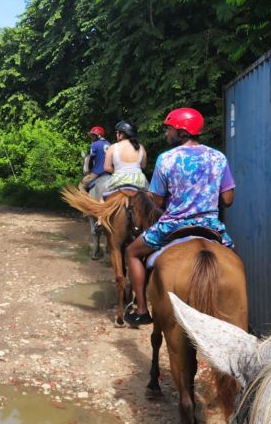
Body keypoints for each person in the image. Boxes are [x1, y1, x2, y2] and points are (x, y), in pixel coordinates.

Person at [123, 107, 235, 325]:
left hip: (172, 226)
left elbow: (156, 202)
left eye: (169, 129)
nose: (167, 133)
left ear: (182, 132)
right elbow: (228, 199)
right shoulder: (218, 157)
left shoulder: (166, 159)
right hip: (211, 226)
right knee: (234, 261)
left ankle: (142, 310)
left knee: (132, 252)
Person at [103, 120, 148, 193]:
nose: (116, 134)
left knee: (103, 198)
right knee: (149, 197)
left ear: (122, 134)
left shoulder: (112, 147)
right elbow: (143, 166)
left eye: (117, 132)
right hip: (139, 181)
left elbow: (107, 167)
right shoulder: (141, 147)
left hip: (119, 180)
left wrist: (118, 171)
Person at [79, 125, 110, 191]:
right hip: (110, 172)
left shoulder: (94, 144)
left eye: (93, 135)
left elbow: (90, 160)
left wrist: (88, 172)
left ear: (98, 135)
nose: (91, 137)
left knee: (81, 185)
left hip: (98, 172)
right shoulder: (109, 144)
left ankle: (85, 197)